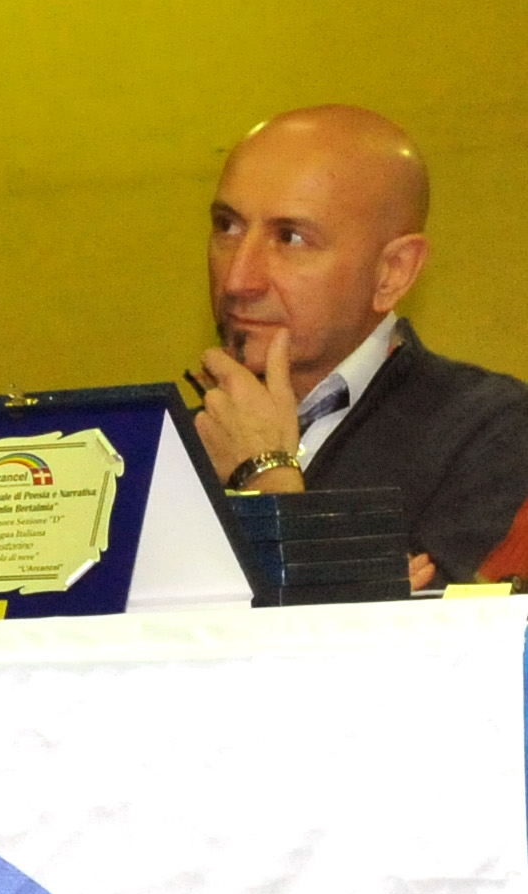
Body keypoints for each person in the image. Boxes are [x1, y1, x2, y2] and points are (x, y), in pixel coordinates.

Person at [190, 104, 528, 591]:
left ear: (392, 273)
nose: (238, 279)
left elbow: (443, 635)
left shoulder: (494, 435)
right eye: (228, 226)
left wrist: (265, 475)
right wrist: (353, 580)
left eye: (291, 237)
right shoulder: (161, 443)